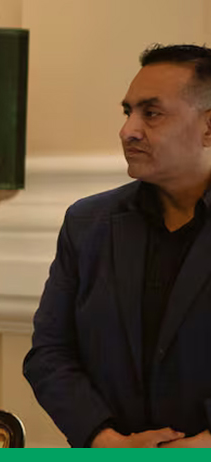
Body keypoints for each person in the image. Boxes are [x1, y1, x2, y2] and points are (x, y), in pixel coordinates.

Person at [24, 44, 211, 448]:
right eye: (128, 112)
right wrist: (103, 438)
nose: (128, 130)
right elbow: (50, 353)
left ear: (209, 127)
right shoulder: (88, 224)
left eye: (152, 113)